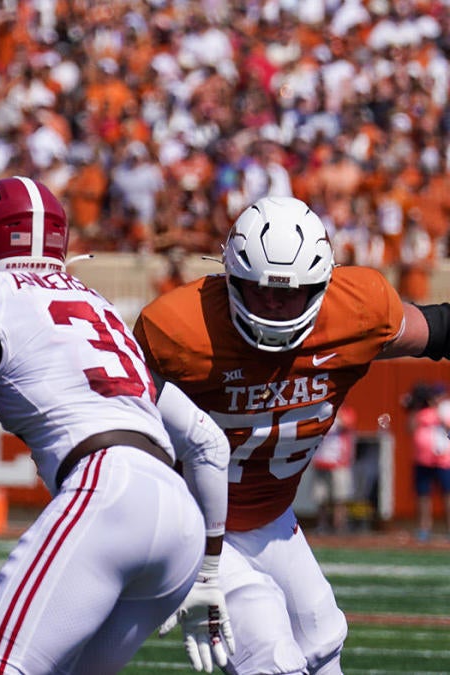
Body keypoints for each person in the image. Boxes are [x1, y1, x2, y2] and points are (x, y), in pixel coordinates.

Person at [0, 177, 232, 674]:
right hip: (181, 523)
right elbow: (209, 442)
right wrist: (210, 575)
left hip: (106, 490)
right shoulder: (97, 306)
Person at [134, 195, 446, 675]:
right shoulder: (179, 330)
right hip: (193, 518)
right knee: (269, 655)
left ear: (322, 283)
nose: (274, 304)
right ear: (230, 278)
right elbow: (114, 415)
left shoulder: (359, 310)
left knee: (323, 639)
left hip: (269, 514)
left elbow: (436, 329)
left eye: (291, 292)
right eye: (259, 290)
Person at [404, 383, 450, 542]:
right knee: (423, 495)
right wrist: (414, 407)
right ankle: (424, 528)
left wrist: (438, 409)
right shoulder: (421, 412)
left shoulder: (446, 408)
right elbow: (410, 428)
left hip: (443, 460)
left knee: (447, 495)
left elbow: (447, 426)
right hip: (423, 459)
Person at [310, 406, 357, 534]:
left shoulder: (345, 412)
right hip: (320, 459)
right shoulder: (318, 412)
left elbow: (348, 423)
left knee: (340, 496)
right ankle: (322, 525)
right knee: (321, 497)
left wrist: (338, 409)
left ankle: (340, 525)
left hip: (338, 461)